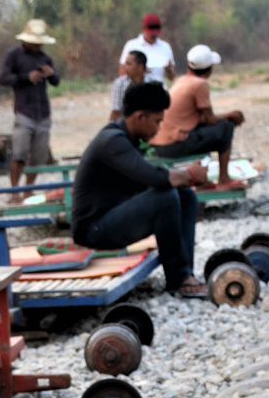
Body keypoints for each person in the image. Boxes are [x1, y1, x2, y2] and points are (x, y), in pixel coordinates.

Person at [71, 82, 210, 298]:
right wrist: (190, 175)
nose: (159, 128)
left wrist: (184, 179)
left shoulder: (128, 138)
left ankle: (185, 273)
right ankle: (179, 278)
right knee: (166, 196)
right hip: (93, 230)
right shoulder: (113, 140)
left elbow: (149, 176)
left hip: (112, 218)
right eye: (157, 121)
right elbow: (153, 178)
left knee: (186, 196)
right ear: (139, 117)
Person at [149, 44, 244, 187]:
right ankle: (224, 180)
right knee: (226, 128)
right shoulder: (200, 84)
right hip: (173, 145)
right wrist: (230, 116)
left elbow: (196, 118)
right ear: (210, 68)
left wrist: (227, 115)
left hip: (160, 143)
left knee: (217, 128)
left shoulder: (181, 80)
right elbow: (211, 120)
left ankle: (202, 179)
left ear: (189, 66)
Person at [0, 19, 60, 198]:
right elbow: (3, 78)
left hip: (43, 112)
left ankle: (28, 189)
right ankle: (15, 191)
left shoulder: (44, 58)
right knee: (19, 153)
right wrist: (26, 77)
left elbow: (56, 81)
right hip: (24, 111)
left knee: (38, 156)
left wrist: (51, 74)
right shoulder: (14, 55)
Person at [119, 13, 175, 86]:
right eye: (151, 32)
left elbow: (172, 77)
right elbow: (122, 73)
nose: (153, 35)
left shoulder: (165, 47)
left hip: (159, 92)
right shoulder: (132, 45)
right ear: (143, 28)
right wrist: (140, 72)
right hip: (136, 91)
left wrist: (168, 70)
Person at [110, 50, 147, 121]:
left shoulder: (151, 85)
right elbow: (116, 112)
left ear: (140, 67)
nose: (125, 67)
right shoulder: (119, 84)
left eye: (129, 64)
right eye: (125, 64)